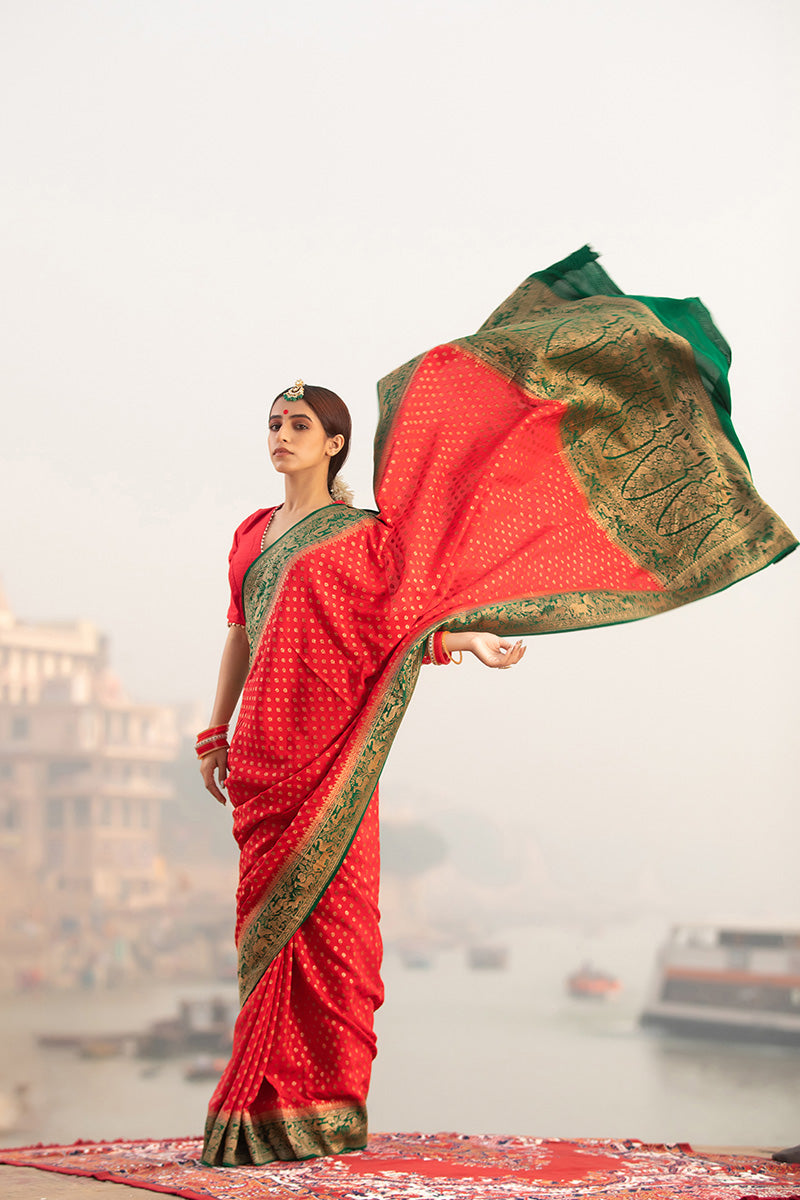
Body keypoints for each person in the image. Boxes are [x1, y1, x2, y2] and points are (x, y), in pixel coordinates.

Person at [197, 248, 796, 1167]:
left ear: (335, 445)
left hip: (333, 760)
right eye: (274, 422)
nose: (280, 435)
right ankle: (254, 1115)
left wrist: (463, 638)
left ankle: (315, 1117)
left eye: (299, 424)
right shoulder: (250, 538)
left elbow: (397, 620)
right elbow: (240, 630)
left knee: (340, 944)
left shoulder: (361, 537)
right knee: (265, 945)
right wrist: (213, 730)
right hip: (263, 764)